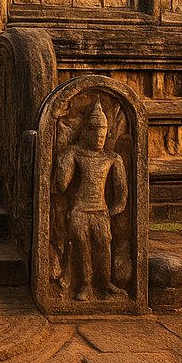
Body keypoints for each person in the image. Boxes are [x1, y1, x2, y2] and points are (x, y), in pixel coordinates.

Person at [54, 100, 128, 301]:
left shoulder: (112, 158)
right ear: (86, 131)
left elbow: (122, 189)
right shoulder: (76, 153)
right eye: (95, 133)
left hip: (101, 210)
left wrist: (117, 207)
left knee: (104, 245)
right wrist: (65, 158)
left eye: (102, 134)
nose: (99, 138)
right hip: (79, 209)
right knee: (82, 246)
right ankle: (85, 285)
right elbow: (62, 185)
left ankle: (105, 284)